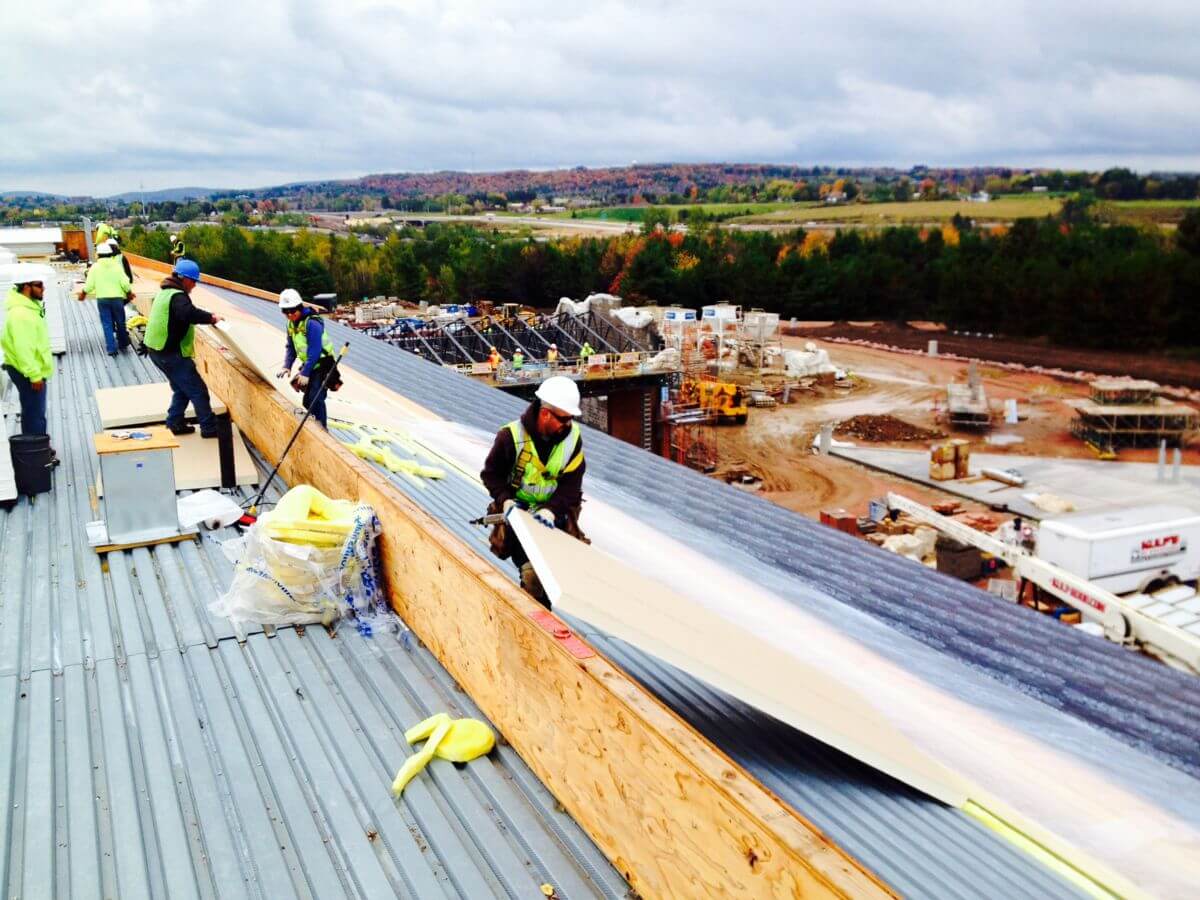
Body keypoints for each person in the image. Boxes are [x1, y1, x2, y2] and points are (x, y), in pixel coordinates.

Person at [480, 376, 588, 606]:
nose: (568, 424)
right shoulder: (511, 438)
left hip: (553, 517)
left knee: (552, 575)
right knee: (532, 575)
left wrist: (551, 510)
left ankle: (543, 613)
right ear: (546, 413)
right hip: (520, 517)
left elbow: (572, 485)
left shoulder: (572, 440)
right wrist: (506, 501)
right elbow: (491, 475)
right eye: (563, 418)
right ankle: (535, 624)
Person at [143, 259, 223, 436]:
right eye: (193, 281)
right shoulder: (178, 296)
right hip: (169, 353)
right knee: (197, 390)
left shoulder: (165, 292)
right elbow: (189, 313)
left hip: (157, 350)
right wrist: (212, 318)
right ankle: (209, 428)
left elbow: (185, 311)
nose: (194, 285)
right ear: (184, 278)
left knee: (182, 388)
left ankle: (175, 423)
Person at [2, 272, 59, 463]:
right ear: (26, 287)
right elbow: (23, 348)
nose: (43, 289)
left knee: (32, 411)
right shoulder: (21, 314)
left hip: (28, 369)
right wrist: (34, 375)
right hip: (28, 372)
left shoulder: (28, 308)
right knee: (35, 413)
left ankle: (36, 447)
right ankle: (37, 454)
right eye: (39, 285)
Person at [276, 288, 339, 429]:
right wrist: (287, 365)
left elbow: (315, 351)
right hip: (311, 365)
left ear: (299, 307)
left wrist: (305, 372)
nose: (289, 315)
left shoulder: (312, 323)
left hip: (323, 364)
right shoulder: (291, 324)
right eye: (285, 312)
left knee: (316, 399)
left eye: (292, 311)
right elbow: (291, 348)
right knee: (307, 402)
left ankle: (322, 430)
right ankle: (316, 425)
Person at [77, 240, 134, 356]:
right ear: (110, 254)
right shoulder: (117, 266)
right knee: (120, 322)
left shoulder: (95, 267)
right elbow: (125, 282)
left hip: (103, 300)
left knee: (107, 324)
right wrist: (129, 292)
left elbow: (89, 285)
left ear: (98, 255)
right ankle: (123, 343)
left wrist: (83, 293)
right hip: (117, 299)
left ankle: (111, 349)